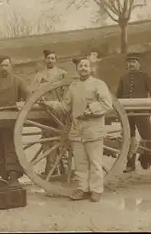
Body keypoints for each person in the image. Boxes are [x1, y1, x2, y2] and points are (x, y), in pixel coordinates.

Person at [41, 57, 113, 202]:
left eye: (86, 65)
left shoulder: (99, 84)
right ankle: (82, 189)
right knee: (80, 163)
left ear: (91, 68)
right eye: (81, 66)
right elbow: (65, 107)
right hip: (77, 130)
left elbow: (107, 104)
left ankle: (96, 190)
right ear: (77, 69)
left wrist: (91, 109)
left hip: (93, 129)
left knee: (95, 162)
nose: (83, 68)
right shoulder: (73, 86)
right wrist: (49, 103)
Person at [0, 55, 30, 187]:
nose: (4, 68)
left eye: (6, 65)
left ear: (11, 66)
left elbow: (29, 98)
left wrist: (21, 103)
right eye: (1, 66)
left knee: (11, 147)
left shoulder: (18, 81)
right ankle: (3, 175)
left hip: (12, 121)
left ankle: (14, 177)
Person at [115, 52, 151, 173]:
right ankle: (130, 164)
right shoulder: (124, 77)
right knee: (129, 137)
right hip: (127, 113)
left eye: (133, 62)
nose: (131, 64)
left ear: (138, 64)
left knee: (147, 136)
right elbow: (118, 95)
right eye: (129, 62)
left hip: (142, 112)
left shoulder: (145, 76)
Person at [30, 50, 67, 177]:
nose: (50, 60)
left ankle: (63, 170)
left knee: (63, 142)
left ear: (56, 60)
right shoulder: (39, 75)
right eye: (48, 58)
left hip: (59, 112)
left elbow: (68, 92)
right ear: (44, 60)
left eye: (52, 58)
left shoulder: (62, 74)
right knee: (47, 141)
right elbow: (33, 91)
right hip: (45, 112)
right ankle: (51, 169)